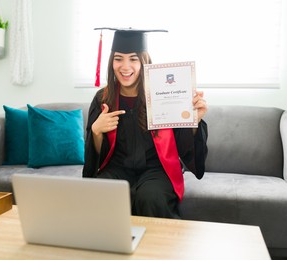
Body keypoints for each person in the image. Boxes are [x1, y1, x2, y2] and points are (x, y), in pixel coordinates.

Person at [82, 28, 208, 218]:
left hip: (156, 169)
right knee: (103, 193)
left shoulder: (162, 94)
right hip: (117, 168)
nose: (125, 67)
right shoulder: (103, 98)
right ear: (111, 62)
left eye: (133, 59)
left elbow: (182, 146)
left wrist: (193, 121)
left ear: (144, 61)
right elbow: (98, 157)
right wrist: (97, 131)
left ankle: (155, 247)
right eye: (118, 59)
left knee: (151, 197)